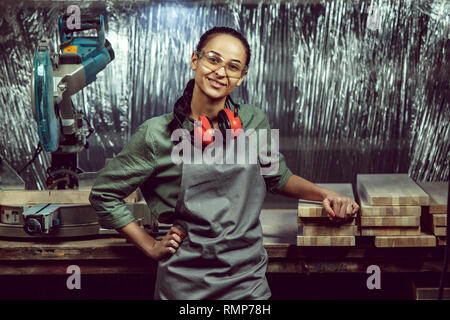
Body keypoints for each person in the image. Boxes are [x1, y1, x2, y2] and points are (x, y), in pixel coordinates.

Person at [89, 26, 359, 300]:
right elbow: (104, 194)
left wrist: (326, 194)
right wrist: (149, 245)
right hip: (185, 284)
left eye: (233, 66)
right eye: (213, 59)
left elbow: (277, 176)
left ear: (242, 78)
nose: (221, 72)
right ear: (195, 60)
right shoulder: (155, 134)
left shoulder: (254, 121)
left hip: (247, 281)